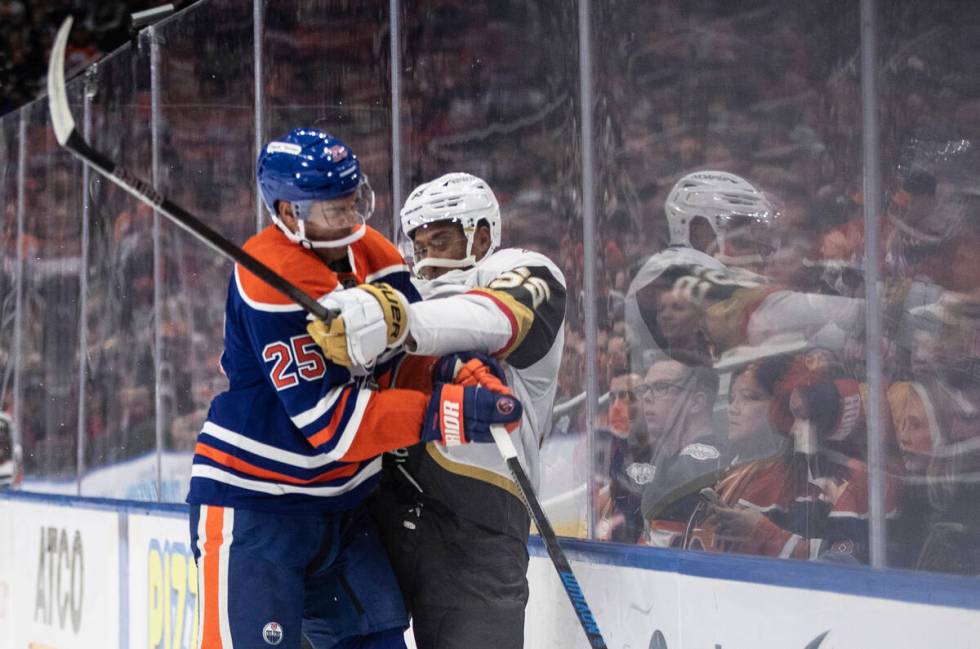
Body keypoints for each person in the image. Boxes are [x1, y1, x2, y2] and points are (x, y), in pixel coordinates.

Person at [185, 132, 522, 649]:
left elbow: (405, 355)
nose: (347, 221)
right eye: (329, 210)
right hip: (257, 504)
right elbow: (333, 428)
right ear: (287, 212)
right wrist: (446, 412)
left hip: (345, 508)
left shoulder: (376, 255)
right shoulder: (268, 274)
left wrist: (446, 368)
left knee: (380, 639)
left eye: (352, 202)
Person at [309, 172, 566, 649]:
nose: (427, 259)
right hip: (379, 504)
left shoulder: (523, 269)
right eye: (419, 245)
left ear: (482, 235)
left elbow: (495, 320)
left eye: (441, 240)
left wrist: (396, 322)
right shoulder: (399, 293)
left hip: (474, 525)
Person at [638, 351, 730, 546]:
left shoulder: (699, 463)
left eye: (661, 387)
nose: (646, 397)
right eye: (645, 389)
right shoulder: (667, 457)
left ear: (696, 402)